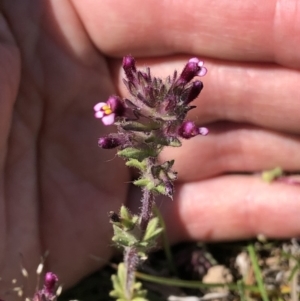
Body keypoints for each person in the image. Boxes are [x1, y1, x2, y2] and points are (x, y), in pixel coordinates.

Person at [1, 0, 300, 298]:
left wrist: (184, 121)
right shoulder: (126, 114)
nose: (109, 109)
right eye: (110, 109)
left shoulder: (166, 120)